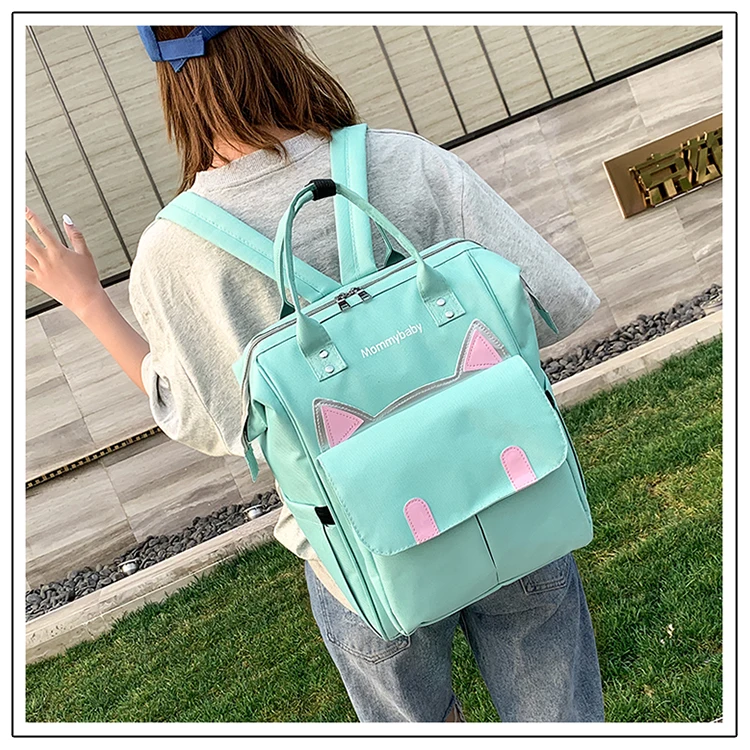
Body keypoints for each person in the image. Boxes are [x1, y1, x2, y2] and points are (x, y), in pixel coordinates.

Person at [25, 25, 605, 723]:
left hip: (357, 558)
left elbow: (207, 424)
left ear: (171, 87)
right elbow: (552, 302)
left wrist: (89, 301)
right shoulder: (401, 160)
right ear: (277, 42)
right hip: (512, 494)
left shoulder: (176, 251)